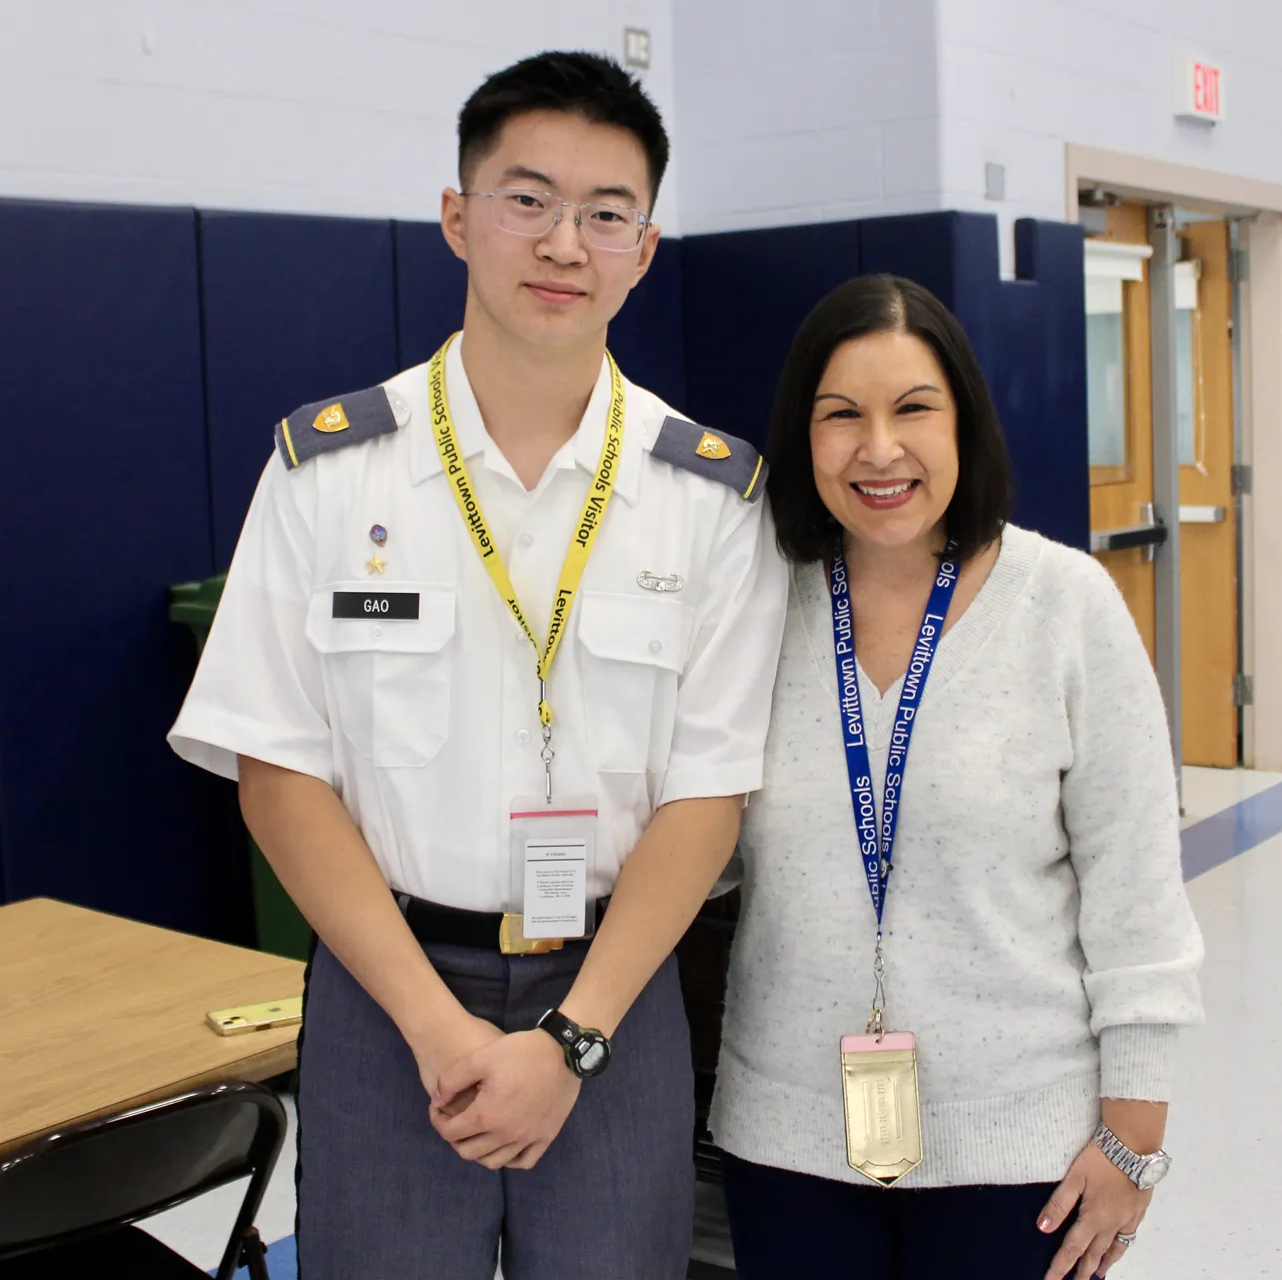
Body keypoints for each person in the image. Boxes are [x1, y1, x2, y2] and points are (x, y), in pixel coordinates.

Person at [167, 51, 787, 1280]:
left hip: (613, 995)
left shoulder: (710, 496)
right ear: (458, 218)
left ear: (647, 247)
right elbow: (277, 773)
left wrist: (570, 1039)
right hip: (388, 991)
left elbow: (709, 798)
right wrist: (435, 1026)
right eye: (528, 198)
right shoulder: (327, 472)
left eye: (607, 213)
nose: (566, 243)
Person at [709, 274, 1204, 1280]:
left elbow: (1137, 896)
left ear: (964, 423)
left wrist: (1132, 1140)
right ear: (803, 437)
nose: (878, 447)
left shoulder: (1066, 605)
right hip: (787, 1137)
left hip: (1021, 1145)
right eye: (840, 414)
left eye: (912, 409)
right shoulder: (755, 605)